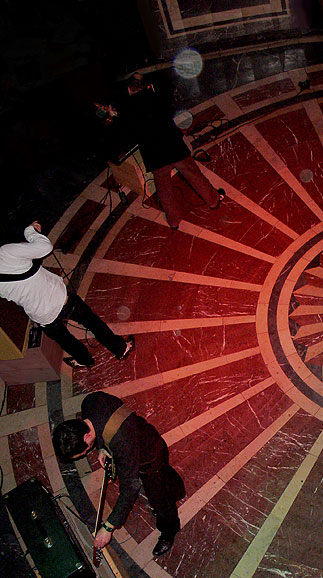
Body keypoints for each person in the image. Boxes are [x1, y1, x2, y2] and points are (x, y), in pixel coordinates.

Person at [53, 391, 185, 557]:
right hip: (144, 434)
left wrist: (108, 527)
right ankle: (178, 488)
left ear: (86, 437)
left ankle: (169, 529)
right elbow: (101, 422)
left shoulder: (122, 443)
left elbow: (129, 489)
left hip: (149, 457)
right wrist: (100, 446)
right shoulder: (91, 402)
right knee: (164, 473)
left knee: (159, 497)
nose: (86, 453)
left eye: (84, 451)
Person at [0, 221, 133, 368]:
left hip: (43, 315)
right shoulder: (5, 252)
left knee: (66, 341)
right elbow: (45, 247)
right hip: (61, 299)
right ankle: (120, 348)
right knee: (92, 321)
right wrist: (30, 231)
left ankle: (85, 360)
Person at [116, 72, 224, 230]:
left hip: (154, 153)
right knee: (193, 174)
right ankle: (214, 200)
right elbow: (171, 113)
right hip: (172, 145)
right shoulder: (156, 97)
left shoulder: (127, 109)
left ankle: (174, 220)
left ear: (130, 91)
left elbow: (129, 133)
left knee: (164, 188)